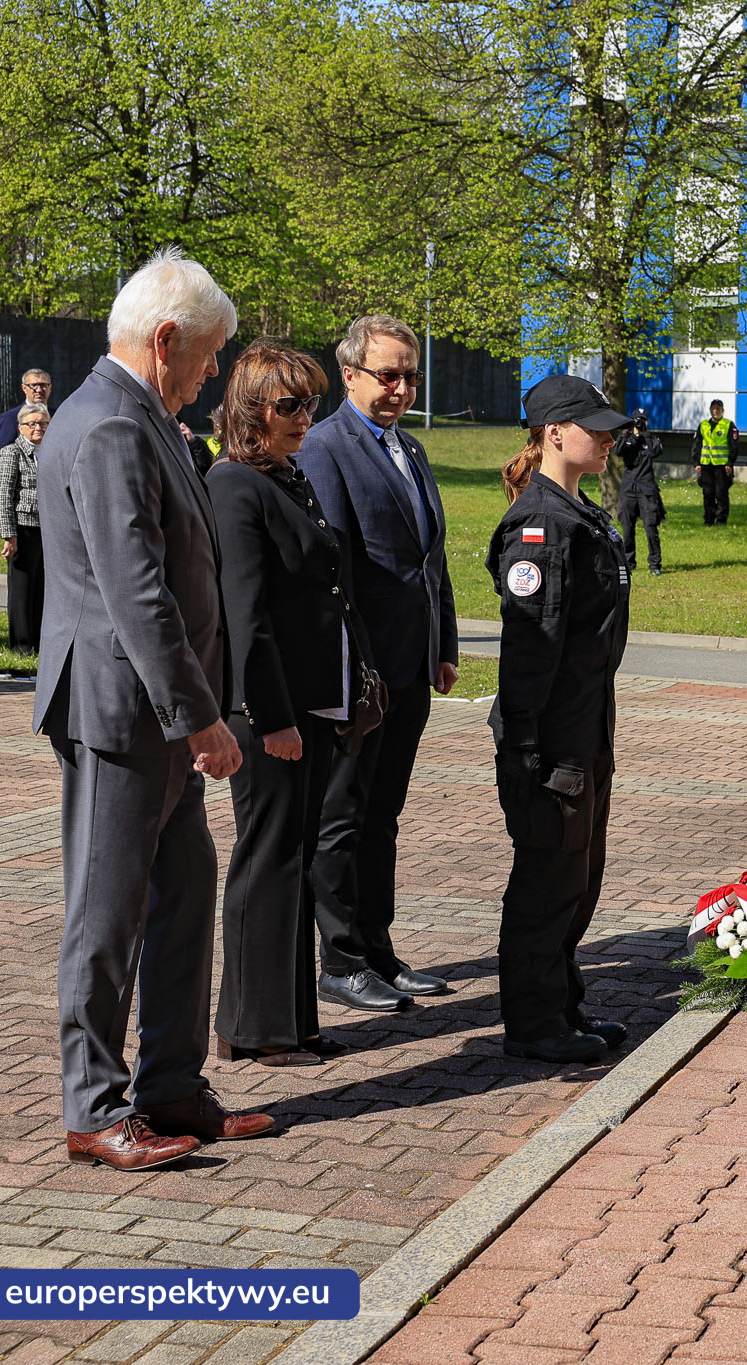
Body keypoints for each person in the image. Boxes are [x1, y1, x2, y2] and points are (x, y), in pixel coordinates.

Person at [34, 246, 273, 1171]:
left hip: (159, 716)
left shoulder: (145, 418)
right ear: (165, 339)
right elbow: (136, 593)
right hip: (124, 713)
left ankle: (170, 1083)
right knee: (107, 912)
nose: (214, 372)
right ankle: (94, 1107)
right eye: (209, 354)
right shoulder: (109, 427)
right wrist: (198, 714)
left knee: (182, 900)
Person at [209, 341, 376, 1067]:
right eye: (288, 404)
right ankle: (253, 1027)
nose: (305, 415)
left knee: (296, 859)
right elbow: (246, 616)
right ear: (250, 410)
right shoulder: (233, 484)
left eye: (310, 401)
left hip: (309, 704)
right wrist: (272, 718)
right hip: (267, 710)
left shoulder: (286, 476)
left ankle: (294, 1020)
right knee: (267, 860)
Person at [298, 315, 458, 1014]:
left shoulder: (410, 448)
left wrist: (444, 642)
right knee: (343, 815)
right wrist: (354, 669)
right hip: (359, 674)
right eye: (388, 374)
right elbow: (333, 575)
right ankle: (340, 958)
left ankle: (379, 947)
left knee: (383, 815)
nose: (401, 388)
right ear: (351, 375)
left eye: (410, 375)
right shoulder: (326, 448)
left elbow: (432, 559)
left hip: (410, 666)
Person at [488, 375, 631, 1064]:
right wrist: (526, 754)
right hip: (549, 741)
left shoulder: (579, 511)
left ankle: (562, 1005)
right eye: (593, 427)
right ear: (553, 433)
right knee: (547, 881)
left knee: (576, 877)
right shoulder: (538, 526)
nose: (607, 438)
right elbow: (527, 653)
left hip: (584, 726)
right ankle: (534, 1023)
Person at [0, 402, 48, 651]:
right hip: (23, 528)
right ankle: (21, 644)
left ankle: (38, 641)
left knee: (41, 588)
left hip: (47, 529)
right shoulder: (11, 452)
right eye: (33, 423)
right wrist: (9, 534)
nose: (38, 427)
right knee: (22, 589)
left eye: (43, 423)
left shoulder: (48, 452)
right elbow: (3, 496)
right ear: (20, 427)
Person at [611, 409, 664, 576]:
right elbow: (617, 451)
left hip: (646, 489)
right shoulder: (627, 438)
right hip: (629, 489)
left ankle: (655, 564)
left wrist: (644, 434)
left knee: (650, 528)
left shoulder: (651, 438)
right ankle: (629, 562)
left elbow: (656, 451)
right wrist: (626, 433)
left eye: (642, 421)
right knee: (627, 528)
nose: (639, 424)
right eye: (636, 421)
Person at [693, 399, 736, 525]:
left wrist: (730, 463)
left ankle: (721, 519)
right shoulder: (703, 425)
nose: (715, 411)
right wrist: (696, 463)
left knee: (721, 493)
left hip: (721, 465)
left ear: (722, 410)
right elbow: (697, 445)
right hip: (706, 464)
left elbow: (733, 446)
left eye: (718, 409)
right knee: (708, 493)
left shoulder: (728, 425)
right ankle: (709, 519)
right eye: (713, 409)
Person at [0, 369, 52, 451]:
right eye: (34, 385)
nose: (39, 390)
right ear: (24, 388)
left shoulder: (59, 415)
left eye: (43, 385)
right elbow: (4, 452)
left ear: (50, 388)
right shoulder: (10, 418)